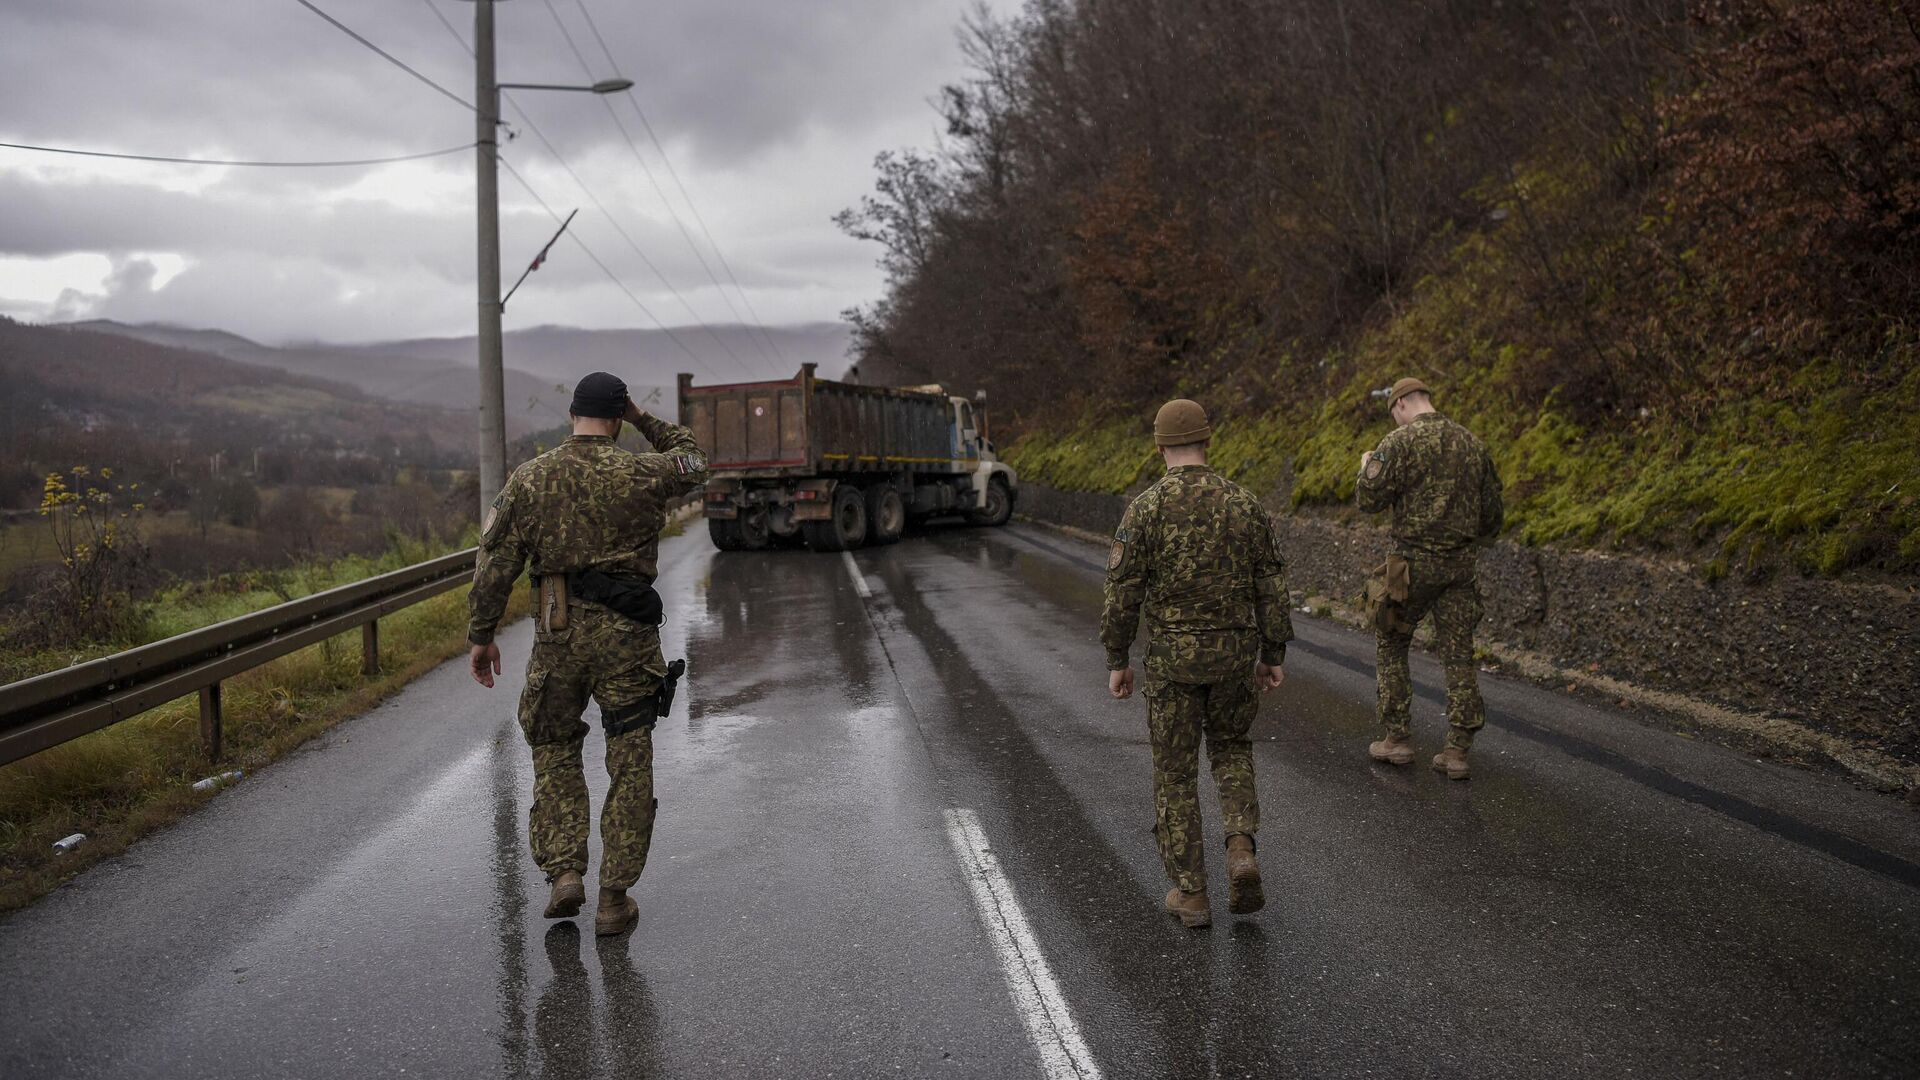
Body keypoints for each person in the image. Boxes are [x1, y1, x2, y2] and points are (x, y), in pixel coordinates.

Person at [468, 371, 707, 935]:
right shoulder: (643, 472)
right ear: (618, 417)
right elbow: (693, 461)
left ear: (573, 413)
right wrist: (645, 418)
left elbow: (495, 561)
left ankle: (564, 872)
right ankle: (613, 897)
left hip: (559, 634)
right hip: (627, 640)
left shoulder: (531, 479)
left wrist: (482, 635)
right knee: (629, 753)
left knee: (552, 744)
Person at [1100, 399, 1292, 929]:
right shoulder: (1244, 504)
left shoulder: (1145, 509)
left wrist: (1118, 658)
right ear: (1209, 442)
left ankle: (1192, 894)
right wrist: (1272, 653)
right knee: (1231, 749)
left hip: (1173, 664)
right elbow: (1271, 586)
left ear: (1160, 447)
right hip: (1234, 658)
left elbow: (1123, 595)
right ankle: (1239, 845)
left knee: (1175, 772)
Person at [1355, 377, 1503, 780]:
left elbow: (1368, 500)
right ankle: (1457, 750)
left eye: (1394, 413)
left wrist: (1368, 465)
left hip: (1411, 566)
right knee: (1458, 653)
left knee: (1392, 641)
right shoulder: (1472, 443)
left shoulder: (1398, 443)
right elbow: (1493, 514)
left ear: (1400, 404)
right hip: (1459, 566)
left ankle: (1398, 739)